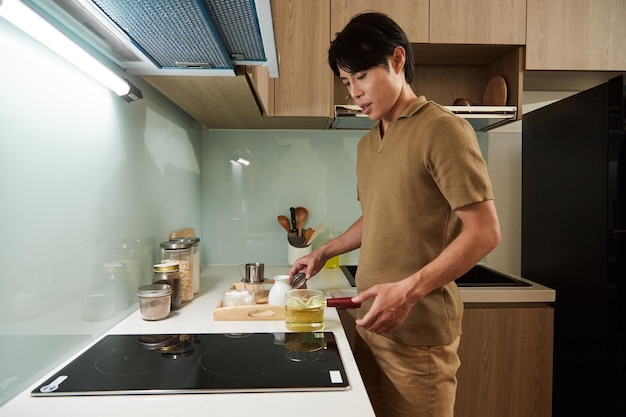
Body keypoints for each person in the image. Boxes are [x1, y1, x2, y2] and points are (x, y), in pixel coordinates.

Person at [288, 12, 501, 417]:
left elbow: (485, 232)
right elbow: (379, 216)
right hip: (371, 327)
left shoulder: (443, 130)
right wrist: (324, 251)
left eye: (363, 76)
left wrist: (407, 291)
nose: (355, 92)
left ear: (397, 60)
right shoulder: (369, 144)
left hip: (418, 337)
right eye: (347, 82)